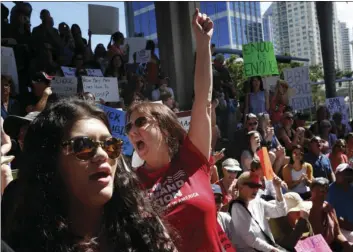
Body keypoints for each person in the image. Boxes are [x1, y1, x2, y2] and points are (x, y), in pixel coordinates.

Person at [2, 98, 177, 251]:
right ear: (51, 160)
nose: (102, 154)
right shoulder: (22, 241)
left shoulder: (144, 228)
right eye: (83, 145)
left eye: (110, 144)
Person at [125, 9, 223, 251]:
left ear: (165, 128)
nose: (132, 131)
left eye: (140, 122)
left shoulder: (193, 158)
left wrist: (203, 44)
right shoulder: (131, 186)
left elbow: (203, 98)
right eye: (128, 126)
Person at [229, 171, 287, 252]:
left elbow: (281, 211)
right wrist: (272, 250)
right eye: (252, 186)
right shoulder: (237, 208)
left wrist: (278, 189)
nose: (256, 189)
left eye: (258, 186)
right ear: (241, 186)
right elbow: (251, 239)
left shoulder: (257, 200)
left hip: (269, 248)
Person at [309, 177, 352, 251]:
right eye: (319, 190)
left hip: (331, 246)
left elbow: (337, 233)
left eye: (325, 191)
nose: (322, 193)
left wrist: (347, 245)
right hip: (313, 248)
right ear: (312, 191)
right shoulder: (306, 208)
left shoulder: (329, 209)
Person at [327, 164, 353, 243]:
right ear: (337, 174)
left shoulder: (351, 188)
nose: (347, 176)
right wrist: (344, 224)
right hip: (340, 227)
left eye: (348, 173)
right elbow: (329, 214)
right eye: (344, 173)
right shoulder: (330, 190)